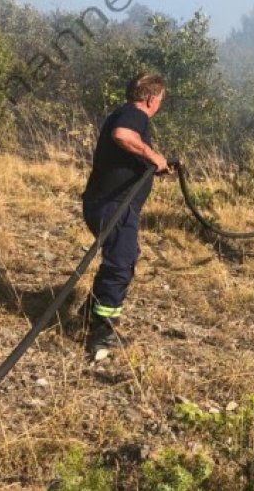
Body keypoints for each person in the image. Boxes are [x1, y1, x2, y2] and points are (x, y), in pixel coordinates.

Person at [81, 72, 170, 355]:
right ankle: (103, 331)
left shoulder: (124, 113)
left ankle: (89, 316)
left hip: (108, 203)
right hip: (114, 205)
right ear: (150, 98)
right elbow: (123, 135)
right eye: (160, 100)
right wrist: (152, 155)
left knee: (118, 260)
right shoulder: (134, 114)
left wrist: (160, 164)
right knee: (122, 262)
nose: (159, 106)